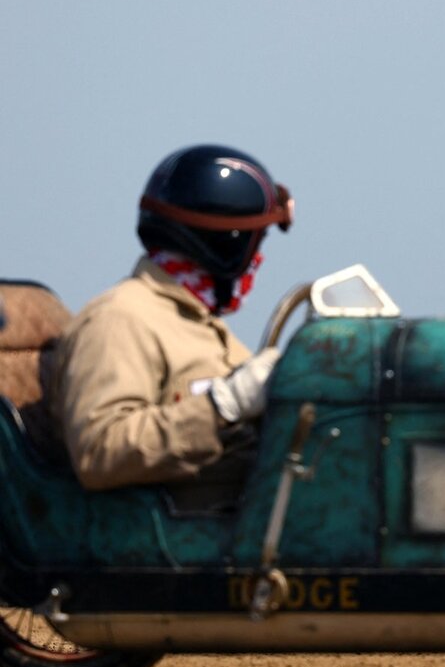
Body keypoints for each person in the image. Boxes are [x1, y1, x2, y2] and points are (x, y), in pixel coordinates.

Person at [52, 144, 292, 504]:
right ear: (229, 243)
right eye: (256, 242)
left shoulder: (202, 325)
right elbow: (99, 451)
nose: (258, 259)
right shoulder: (121, 319)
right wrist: (222, 406)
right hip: (183, 544)